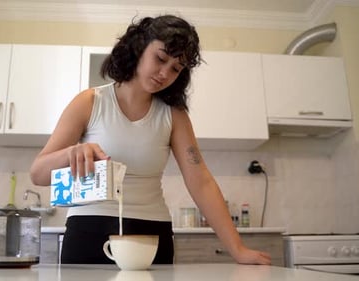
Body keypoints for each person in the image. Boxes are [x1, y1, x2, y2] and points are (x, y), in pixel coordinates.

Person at [30, 14, 271, 265]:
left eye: (176, 69)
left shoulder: (174, 115)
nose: (164, 73)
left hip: (152, 234)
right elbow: (38, 173)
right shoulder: (90, 102)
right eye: (160, 58)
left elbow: (201, 182)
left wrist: (238, 249)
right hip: (88, 229)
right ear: (139, 47)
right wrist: (69, 155)